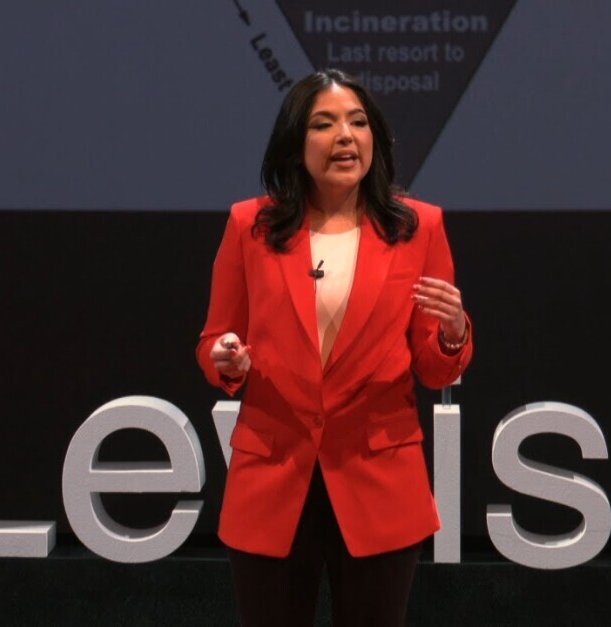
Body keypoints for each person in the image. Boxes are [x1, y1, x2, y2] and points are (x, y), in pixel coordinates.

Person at [196, 68, 473, 626]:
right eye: (324, 124)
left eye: (357, 122)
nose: (345, 136)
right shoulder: (250, 226)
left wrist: (453, 333)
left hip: (379, 479)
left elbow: (432, 366)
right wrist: (226, 356)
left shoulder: (420, 227)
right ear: (295, 145)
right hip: (273, 478)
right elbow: (213, 341)